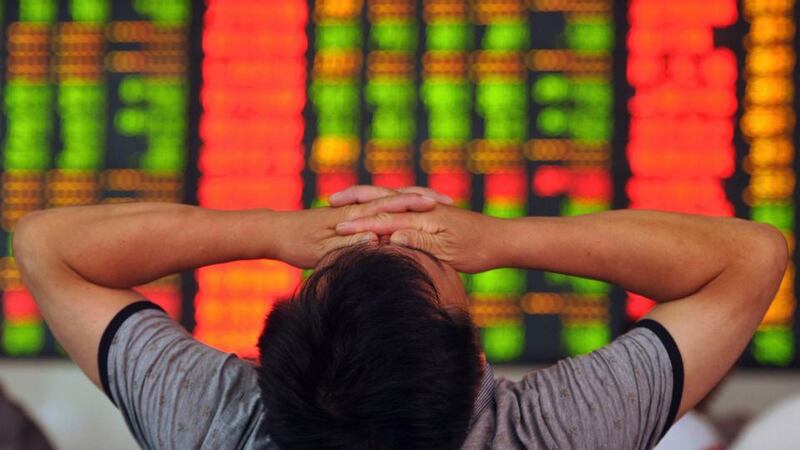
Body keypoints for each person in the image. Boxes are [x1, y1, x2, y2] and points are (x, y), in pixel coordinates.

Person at [12, 185, 787, 449]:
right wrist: (506, 238)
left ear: (260, 362)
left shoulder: (214, 424)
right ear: (481, 369)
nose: (383, 226)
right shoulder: (551, 433)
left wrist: (270, 232)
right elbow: (751, 256)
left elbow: (50, 245)